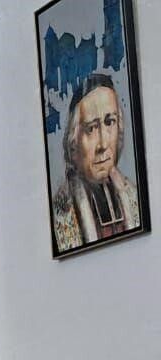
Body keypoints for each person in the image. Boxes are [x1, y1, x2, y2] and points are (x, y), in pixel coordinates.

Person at [52, 72, 143, 254]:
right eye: (91, 128)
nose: (102, 144)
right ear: (73, 143)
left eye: (110, 122)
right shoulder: (60, 211)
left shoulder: (133, 196)